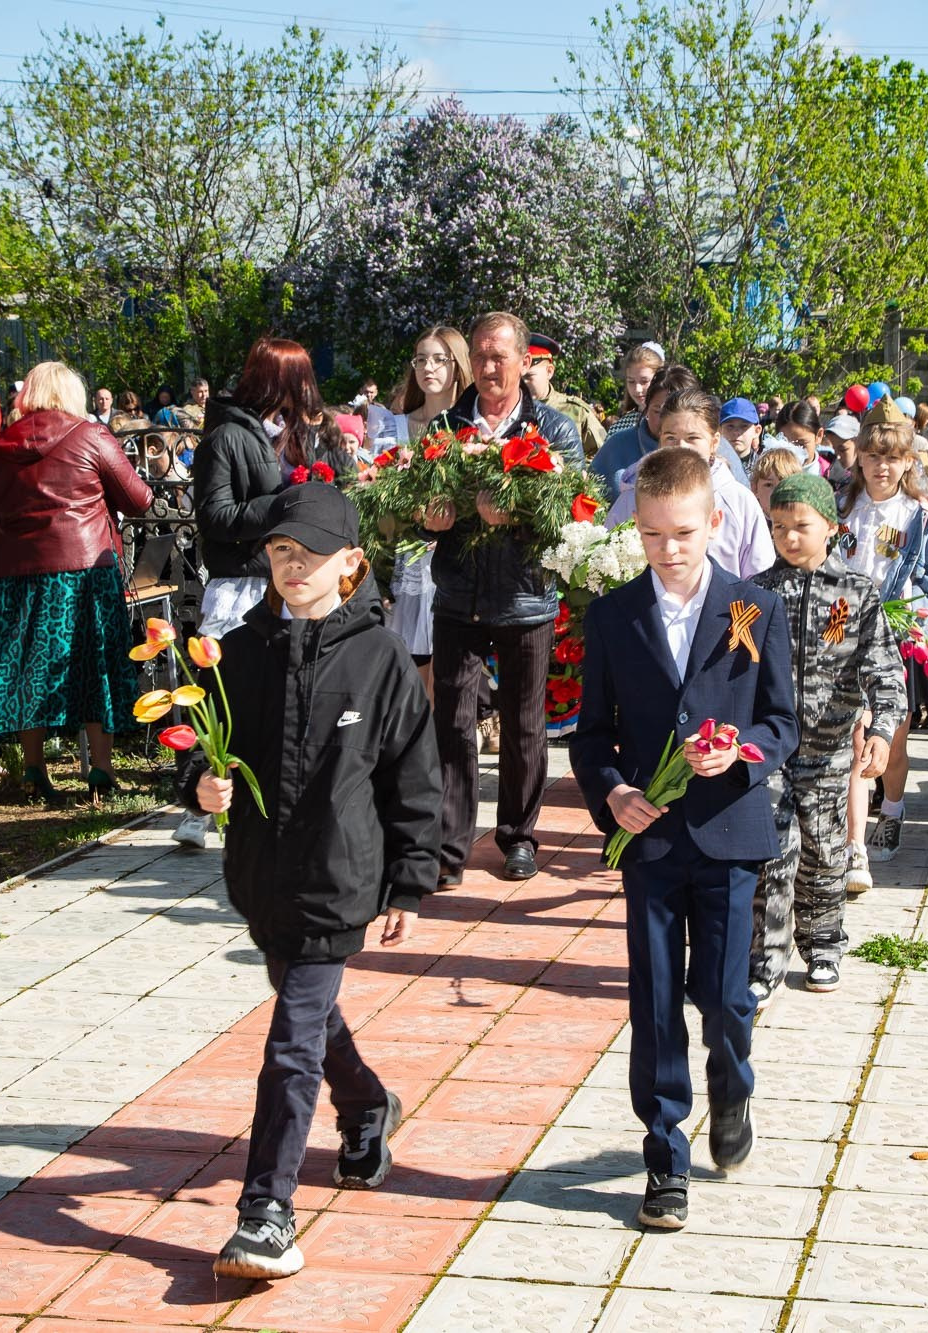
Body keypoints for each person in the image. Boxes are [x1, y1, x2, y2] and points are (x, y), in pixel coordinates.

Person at [190, 482, 440, 1281]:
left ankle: (266, 1211)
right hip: (262, 875)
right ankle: (366, 1104)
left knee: (290, 1041)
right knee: (312, 1015)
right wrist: (202, 781)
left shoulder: (379, 657)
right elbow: (206, 742)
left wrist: (409, 879)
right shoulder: (238, 650)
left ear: (352, 564)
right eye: (279, 553)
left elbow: (414, 775)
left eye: (310, 555)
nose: (292, 567)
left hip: (341, 876)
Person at [569, 445, 797, 1230]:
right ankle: (663, 1154)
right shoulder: (612, 616)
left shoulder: (753, 610)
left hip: (730, 831)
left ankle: (733, 1089)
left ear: (716, 523)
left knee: (727, 998)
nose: (670, 548)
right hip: (653, 843)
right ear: (636, 529)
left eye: (685, 533)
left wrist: (743, 751)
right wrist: (615, 791)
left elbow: (782, 720)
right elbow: (590, 735)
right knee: (658, 1000)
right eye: (655, 533)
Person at [423, 312, 584, 884]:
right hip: (459, 597)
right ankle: (449, 846)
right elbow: (419, 507)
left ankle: (518, 837)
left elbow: (569, 516)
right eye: (481, 356)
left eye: (500, 356)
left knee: (522, 724)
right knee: (455, 721)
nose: (489, 367)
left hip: (527, 599)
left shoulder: (554, 431)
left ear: (524, 362)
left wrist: (515, 517)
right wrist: (428, 520)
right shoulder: (445, 426)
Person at [0, 361, 153, 804]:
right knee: (96, 666)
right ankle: (101, 772)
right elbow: (139, 499)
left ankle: (33, 771)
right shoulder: (91, 436)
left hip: (13, 576)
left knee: (28, 671)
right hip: (84, 572)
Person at [750, 472, 902, 996]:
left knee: (823, 851)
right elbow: (731, 667)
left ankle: (824, 945)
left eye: (801, 526)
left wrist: (881, 730)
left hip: (831, 750)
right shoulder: (757, 593)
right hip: (768, 753)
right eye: (778, 527)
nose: (789, 537)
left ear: (831, 527)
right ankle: (765, 960)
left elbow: (883, 670)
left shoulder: (855, 594)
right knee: (771, 853)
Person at [182, 338, 329, 847]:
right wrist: (283, 508)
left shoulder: (284, 434)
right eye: (301, 379)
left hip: (286, 584)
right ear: (278, 382)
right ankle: (199, 806)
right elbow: (215, 518)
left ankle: (271, 805)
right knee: (225, 698)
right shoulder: (225, 437)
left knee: (282, 699)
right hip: (241, 586)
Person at [842, 401, 928, 866]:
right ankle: (850, 830)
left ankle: (892, 809)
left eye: (892, 458)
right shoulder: (842, 508)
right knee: (851, 735)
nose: (881, 467)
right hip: (841, 635)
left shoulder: (918, 517)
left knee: (892, 739)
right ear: (859, 458)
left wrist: (909, 614)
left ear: (908, 462)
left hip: (893, 638)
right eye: (873, 456)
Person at [381, 326, 473, 697]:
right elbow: (379, 498)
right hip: (408, 561)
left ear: (457, 365)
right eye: (421, 359)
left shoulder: (472, 427)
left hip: (457, 563)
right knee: (410, 672)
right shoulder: (396, 426)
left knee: (452, 677)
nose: (428, 368)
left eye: (439, 359)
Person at [605, 389, 772, 578]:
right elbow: (606, 570)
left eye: (692, 438)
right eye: (670, 438)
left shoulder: (739, 502)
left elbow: (760, 580)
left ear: (714, 442)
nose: (681, 447)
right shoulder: (631, 499)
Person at [592, 364, 748, 500]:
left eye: (692, 437)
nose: (667, 421)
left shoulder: (721, 451)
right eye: (659, 411)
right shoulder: (617, 446)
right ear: (646, 409)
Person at [524, 332, 606, 459]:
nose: (521, 383)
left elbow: (603, 457)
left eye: (528, 377)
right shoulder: (504, 411)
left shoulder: (576, 411)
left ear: (549, 371)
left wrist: (576, 473)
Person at [608, 341, 666, 436]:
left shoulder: (672, 422)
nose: (637, 389)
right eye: (631, 381)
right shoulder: (618, 429)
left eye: (644, 381)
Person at [750, 445, 804, 518]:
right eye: (768, 485)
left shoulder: (805, 524)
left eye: (785, 485)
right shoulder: (749, 523)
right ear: (755, 489)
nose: (776, 492)